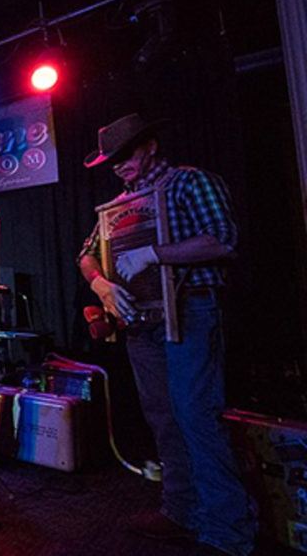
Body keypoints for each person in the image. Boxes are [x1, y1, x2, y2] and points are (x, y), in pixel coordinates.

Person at [77, 113, 255, 556]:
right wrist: (101, 284)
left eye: (124, 155)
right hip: (142, 323)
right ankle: (181, 511)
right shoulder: (117, 207)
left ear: (150, 144)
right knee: (164, 419)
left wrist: (154, 254)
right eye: (111, 161)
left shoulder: (188, 183)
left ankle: (228, 532)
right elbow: (85, 255)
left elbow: (223, 239)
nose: (118, 166)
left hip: (189, 310)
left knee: (197, 417)